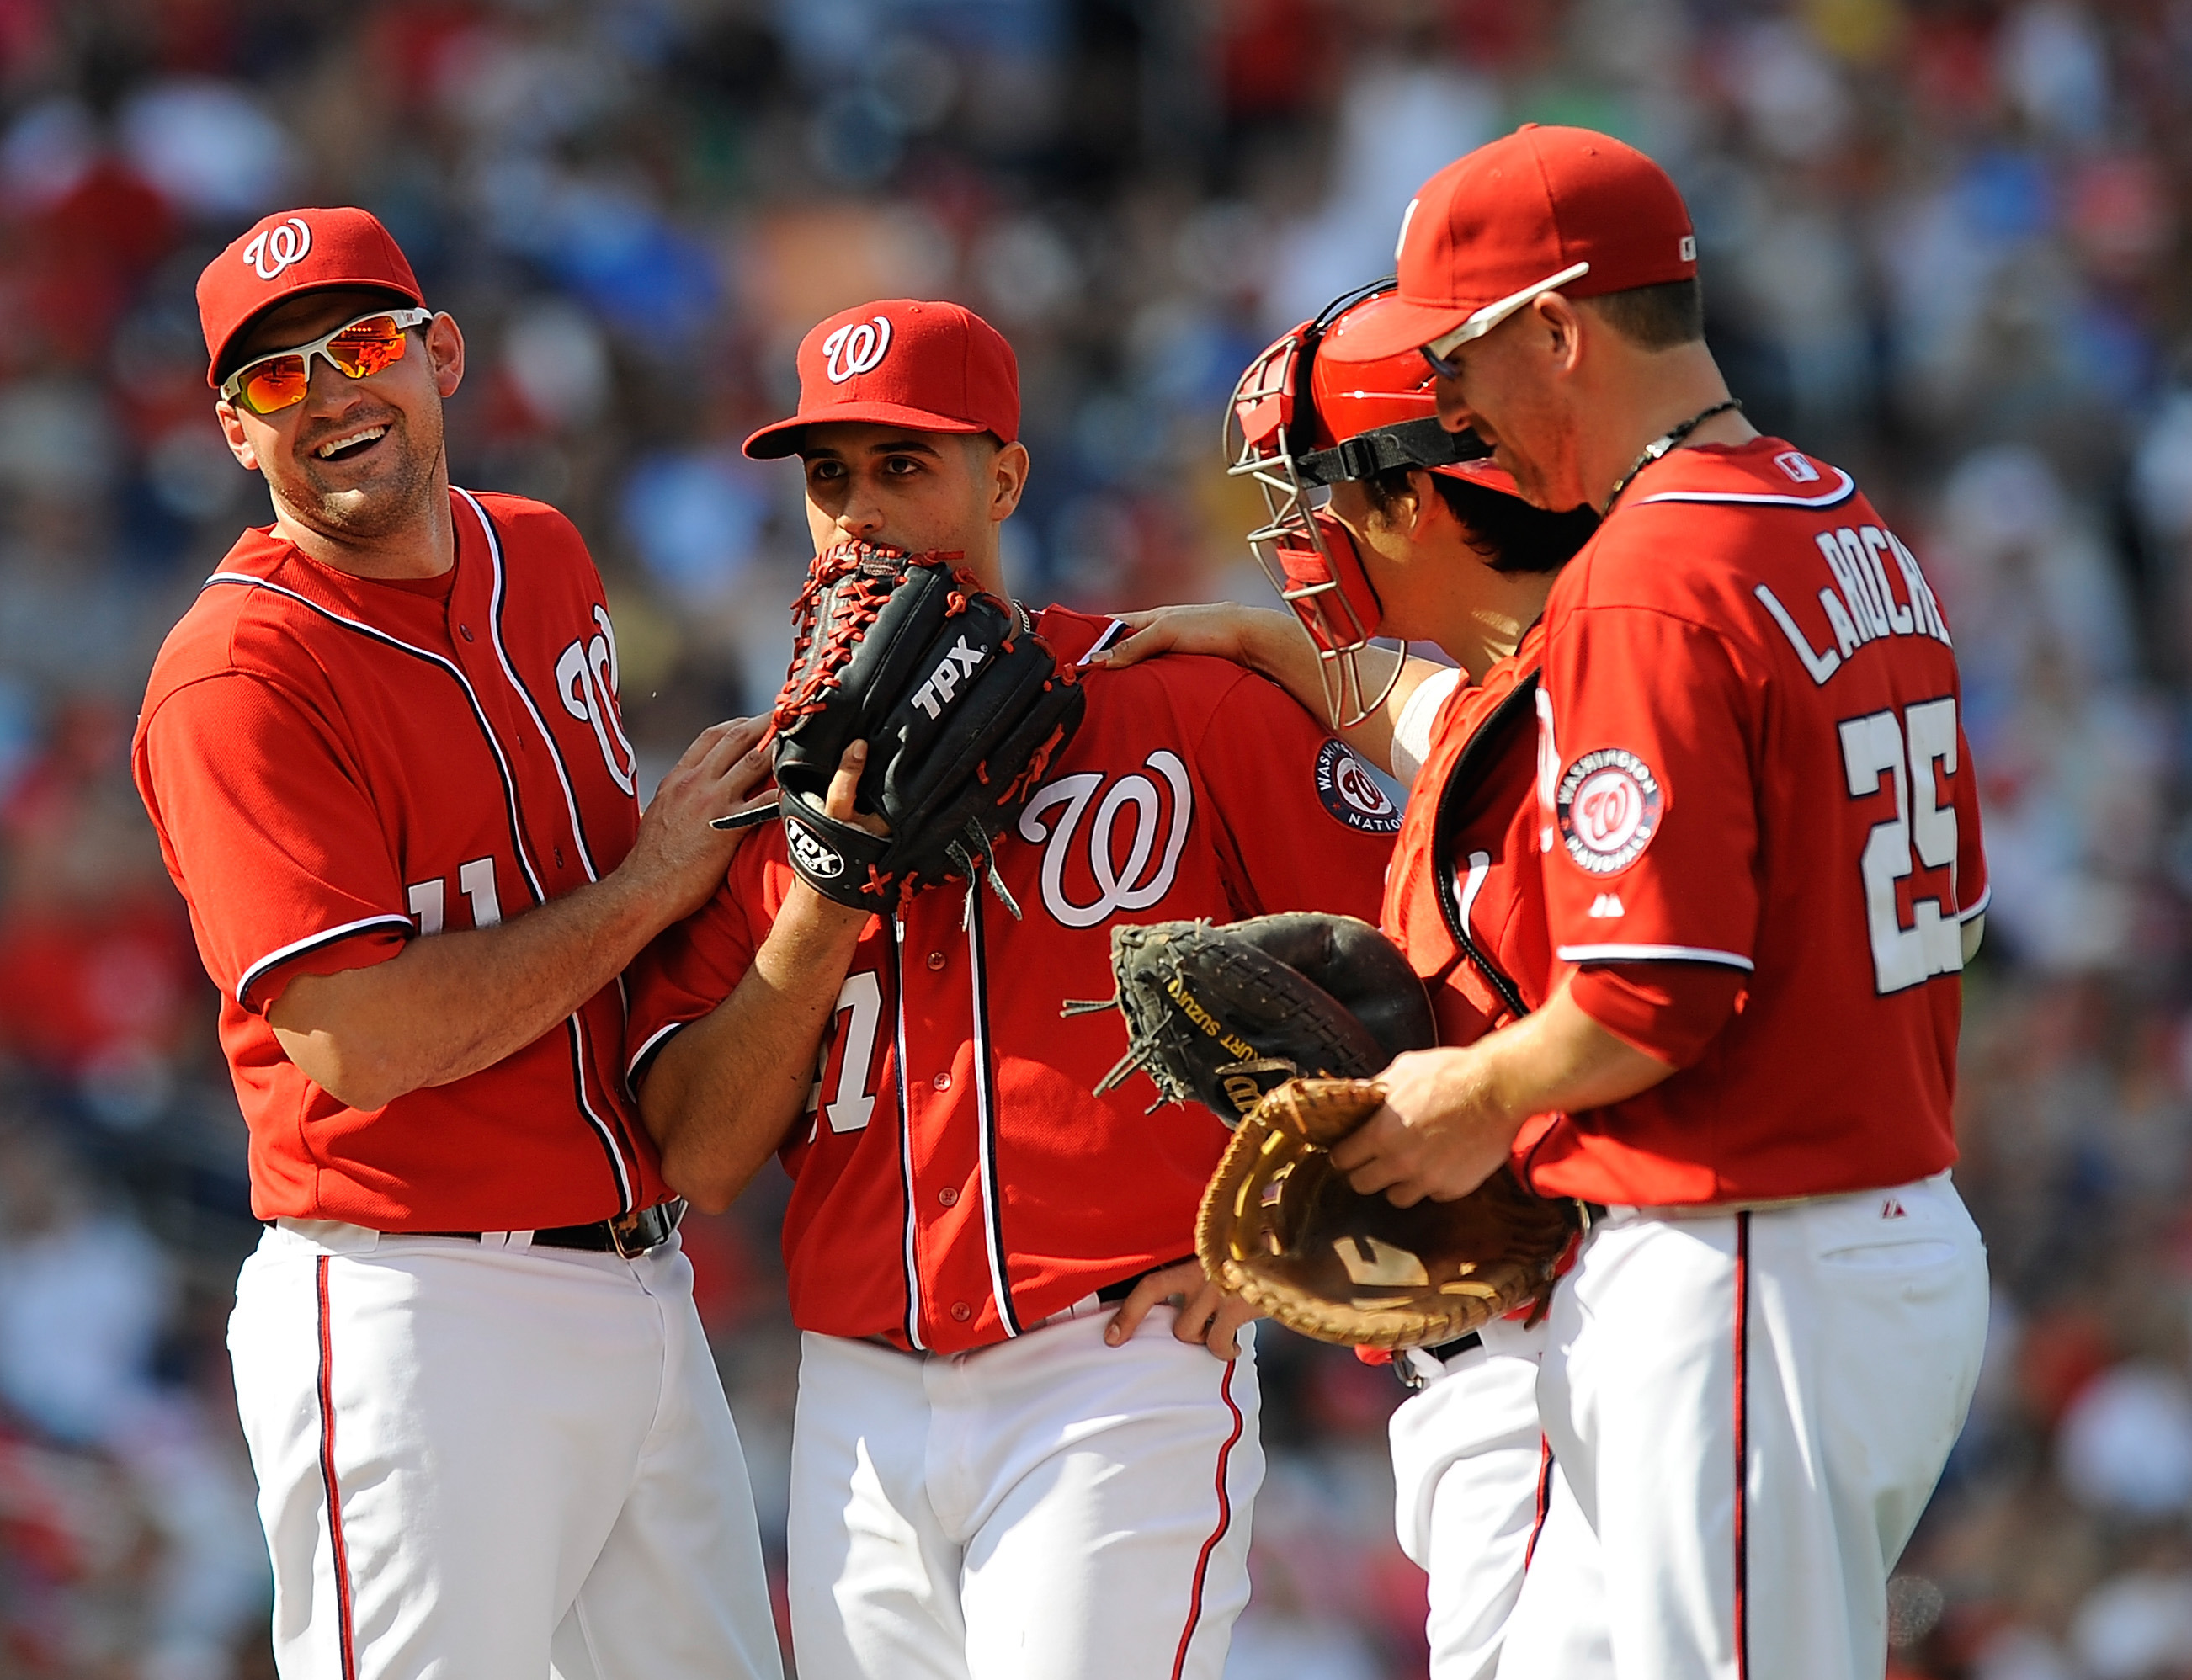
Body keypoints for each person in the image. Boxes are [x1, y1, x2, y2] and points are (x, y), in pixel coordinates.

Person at [624, 298, 1403, 1680]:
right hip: (855, 1405)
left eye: (901, 467)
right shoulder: (756, 786)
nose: (858, 513)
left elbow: (1418, 970)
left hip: (1109, 1365)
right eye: (828, 478)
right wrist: (824, 885)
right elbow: (697, 1148)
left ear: (1005, 475)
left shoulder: (1173, 696)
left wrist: (1280, 1227)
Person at [1311, 126, 1993, 1678]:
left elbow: (1647, 994)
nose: (1453, 411)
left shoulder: (1642, 574)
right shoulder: (1846, 525)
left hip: (1749, 1254)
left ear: (1556, 327)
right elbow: (1949, 918)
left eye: (1464, 359)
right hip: (1855, 1239)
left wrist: (1463, 1087)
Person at [130, 206, 782, 1680]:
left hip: (642, 1282)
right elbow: (363, 1038)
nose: (331, 396)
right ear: (238, 433)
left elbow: (617, 882)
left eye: (360, 348)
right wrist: (658, 883)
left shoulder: (540, 554)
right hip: (417, 1307)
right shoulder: (235, 673)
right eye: (279, 380)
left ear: (441, 356)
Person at [1102, 280, 1609, 1679]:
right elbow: (1427, 713)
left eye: (1316, 493)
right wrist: (1262, 643)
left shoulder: (1600, 709)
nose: (1294, 537)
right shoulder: (1547, 687)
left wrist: (1417, 1122)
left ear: (1418, 499)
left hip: (1577, 1359)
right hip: (1530, 1365)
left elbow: (1653, 1016)